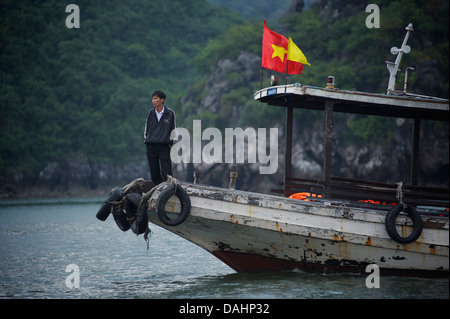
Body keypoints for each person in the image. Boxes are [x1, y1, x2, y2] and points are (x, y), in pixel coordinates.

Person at [144, 90, 176, 185]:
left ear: (162, 100)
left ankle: (168, 190)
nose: (153, 101)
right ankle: (158, 191)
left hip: (164, 146)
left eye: (156, 98)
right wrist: (147, 142)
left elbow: (173, 129)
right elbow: (146, 129)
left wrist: (171, 143)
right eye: (153, 99)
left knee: (167, 172)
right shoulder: (150, 113)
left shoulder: (170, 113)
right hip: (151, 146)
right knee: (154, 172)